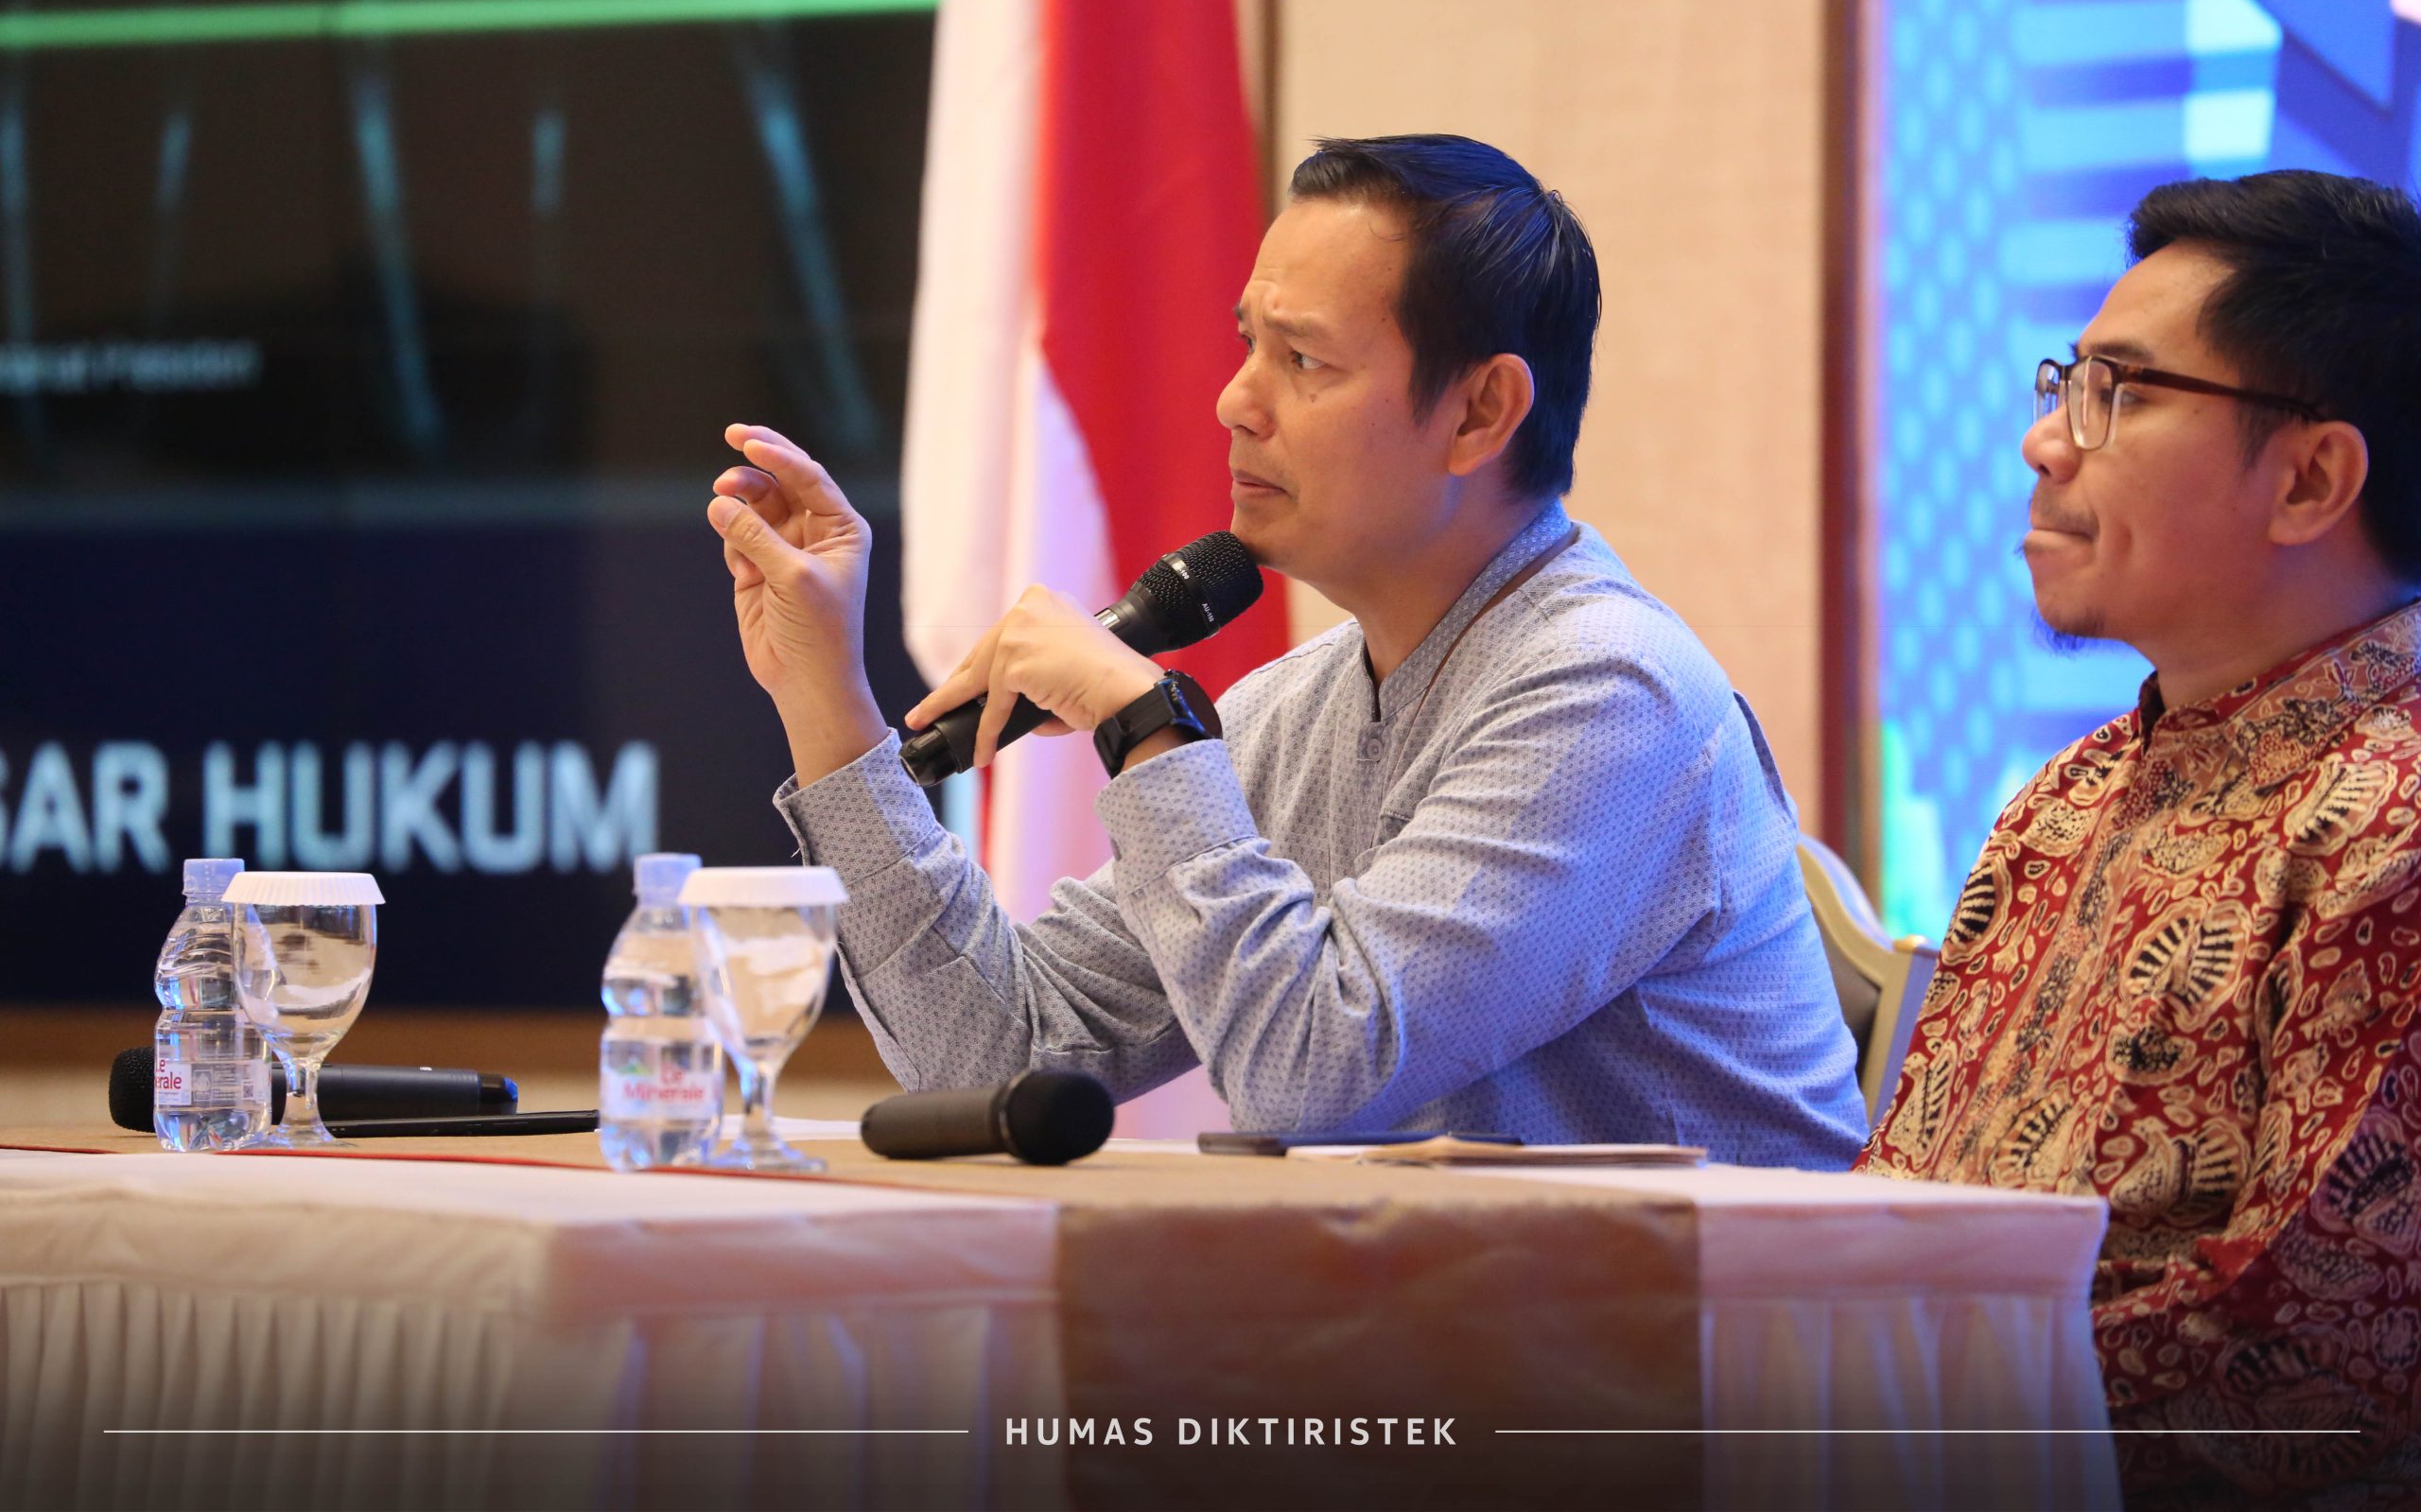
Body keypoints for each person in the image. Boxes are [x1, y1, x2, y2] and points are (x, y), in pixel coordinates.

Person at [707, 133, 1863, 1162]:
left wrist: (1145, 725)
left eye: (1303, 361)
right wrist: (827, 700)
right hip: (1458, 1313)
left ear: (1479, 413)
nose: (1234, 402)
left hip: (1706, 1331)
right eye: (1247, 345)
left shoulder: (1611, 693)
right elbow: (996, 1054)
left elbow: (1320, 1073)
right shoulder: (1301, 707)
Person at [1857, 170, 2421, 1503]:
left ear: (2310, 478)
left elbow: (2322, 1349)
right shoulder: (2068, 793)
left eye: (2117, 391)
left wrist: (1848, 1397)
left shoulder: (2395, 819)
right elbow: (1905, 1200)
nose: (2044, 442)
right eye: (2065, 384)